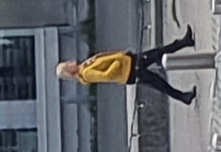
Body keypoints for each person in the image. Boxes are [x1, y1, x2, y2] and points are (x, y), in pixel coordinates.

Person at [59, 30, 203, 105]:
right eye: (68, 64)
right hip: (130, 71)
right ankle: (183, 97)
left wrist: (120, 57)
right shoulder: (86, 74)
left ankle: (184, 42)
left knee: (158, 52)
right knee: (159, 82)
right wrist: (118, 62)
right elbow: (107, 76)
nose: (71, 62)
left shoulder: (84, 65)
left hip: (129, 61)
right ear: (69, 71)